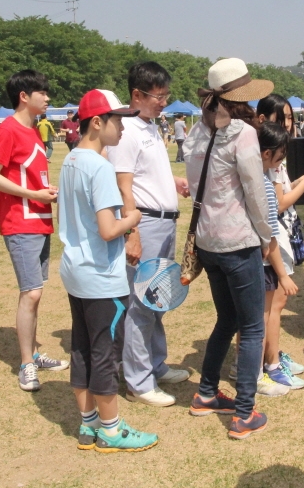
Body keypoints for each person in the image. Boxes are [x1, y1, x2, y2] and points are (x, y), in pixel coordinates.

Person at [57, 88, 156, 453]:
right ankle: (111, 429)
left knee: (82, 347)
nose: (122, 128)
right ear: (97, 123)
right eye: (117, 120)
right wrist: (132, 218)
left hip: (75, 269)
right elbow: (107, 228)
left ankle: (89, 425)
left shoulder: (71, 160)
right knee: (104, 352)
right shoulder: (99, 166)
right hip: (101, 275)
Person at [182, 58, 274, 440]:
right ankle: (243, 412)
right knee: (252, 327)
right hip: (238, 241)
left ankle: (206, 393)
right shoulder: (241, 133)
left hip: (208, 243)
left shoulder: (194, 131)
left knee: (227, 319)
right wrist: (267, 236)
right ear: (240, 98)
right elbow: (254, 191)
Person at [108, 62, 191, 407]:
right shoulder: (126, 129)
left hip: (164, 222)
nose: (163, 103)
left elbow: (144, 174)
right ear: (137, 95)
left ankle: (155, 365)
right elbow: (122, 183)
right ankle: (139, 381)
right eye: (158, 96)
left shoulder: (149, 126)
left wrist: (172, 183)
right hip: (146, 224)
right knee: (141, 303)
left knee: (157, 299)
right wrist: (133, 233)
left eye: (166, 96)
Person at [0, 70, 67, 393]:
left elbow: (25, 175)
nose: (47, 97)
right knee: (30, 292)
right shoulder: (8, 130)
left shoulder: (32, 130)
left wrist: (45, 190)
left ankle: (32, 352)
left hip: (39, 220)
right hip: (20, 222)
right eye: (41, 92)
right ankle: (26, 363)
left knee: (36, 291)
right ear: (24, 96)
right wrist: (33, 195)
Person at [253, 94, 304, 387]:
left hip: (277, 237)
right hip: (272, 240)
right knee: (271, 307)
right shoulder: (266, 158)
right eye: (281, 119)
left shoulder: (272, 157)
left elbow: (279, 195)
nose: (288, 125)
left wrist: (297, 182)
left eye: (290, 118)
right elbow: (278, 203)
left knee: (272, 308)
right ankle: (267, 363)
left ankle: (272, 355)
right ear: (261, 121)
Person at [256, 122, 301, 393]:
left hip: (257, 261)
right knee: (261, 319)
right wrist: (283, 275)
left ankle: (268, 367)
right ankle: (261, 373)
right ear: (265, 154)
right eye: (280, 158)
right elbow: (270, 236)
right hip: (264, 265)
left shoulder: (251, 179)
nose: (280, 163)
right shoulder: (263, 185)